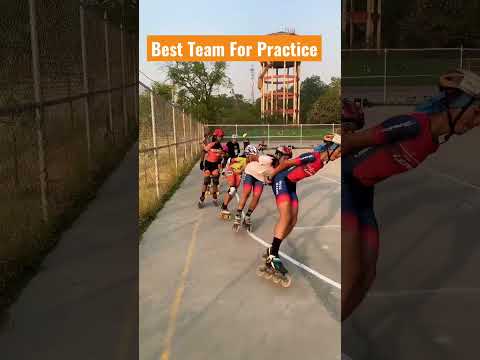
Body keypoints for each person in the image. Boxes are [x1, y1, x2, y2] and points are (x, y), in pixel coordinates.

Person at [341, 69, 480, 321]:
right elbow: (349, 144)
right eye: (476, 113)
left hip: (363, 194)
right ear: (456, 106)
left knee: (367, 275)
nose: (476, 122)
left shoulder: (434, 140)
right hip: (346, 186)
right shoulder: (412, 125)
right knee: (351, 276)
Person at [258, 138, 342, 287]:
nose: (339, 155)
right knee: (286, 217)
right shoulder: (312, 156)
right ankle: (273, 255)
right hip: (281, 180)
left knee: (293, 220)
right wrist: (272, 175)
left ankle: (272, 248)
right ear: (331, 149)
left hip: (291, 185)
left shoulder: (322, 161)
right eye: (339, 151)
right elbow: (285, 164)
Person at [232, 148, 276, 232]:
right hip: (250, 172)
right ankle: (238, 215)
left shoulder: (278, 169)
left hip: (260, 177)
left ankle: (247, 216)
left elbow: (270, 178)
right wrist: (242, 169)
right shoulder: (268, 159)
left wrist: (268, 180)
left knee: (257, 196)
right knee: (247, 192)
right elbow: (252, 157)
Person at [220, 145, 258, 220]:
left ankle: (224, 205)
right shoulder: (241, 159)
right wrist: (224, 170)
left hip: (238, 174)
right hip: (231, 170)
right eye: (252, 156)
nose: (254, 158)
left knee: (233, 192)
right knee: (232, 189)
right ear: (247, 155)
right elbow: (229, 160)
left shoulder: (250, 163)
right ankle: (224, 207)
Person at [198, 128, 225, 208]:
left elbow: (220, 158)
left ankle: (214, 198)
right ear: (216, 136)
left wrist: (221, 163)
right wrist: (201, 162)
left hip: (215, 165)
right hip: (208, 164)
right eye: (220, 136)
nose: (221, 138)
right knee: (206, 181)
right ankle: (202, 199)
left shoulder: (220, 147)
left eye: (222, 136)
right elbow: (203, 152)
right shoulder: (211, 144)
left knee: (215, 182)